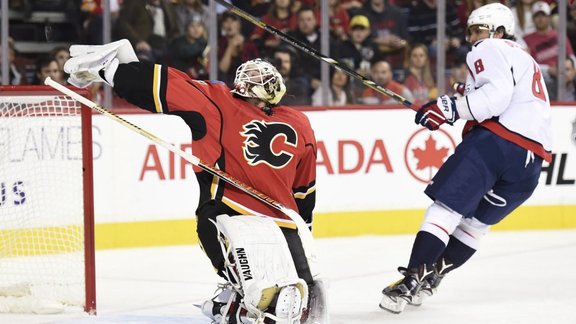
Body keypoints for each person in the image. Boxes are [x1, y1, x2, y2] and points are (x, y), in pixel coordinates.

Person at [63, 39, 320, 323]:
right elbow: (304, 190)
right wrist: (303, 228)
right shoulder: (301, 123)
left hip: (228, 210)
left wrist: (113, 74)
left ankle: (241, 296)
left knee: (207, 224)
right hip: (284, 223)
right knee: (304, 288)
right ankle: (243, 300)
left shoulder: (221, 101)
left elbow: (167, 87)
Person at [379, 3, 552, 314]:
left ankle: (410, 281)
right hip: (529, 166)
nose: (473, 37)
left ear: (499, 32)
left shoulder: (490, 47)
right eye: (471, 31)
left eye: (479, 30)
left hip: (497, 145)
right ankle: (431, 278)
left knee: (445, 208)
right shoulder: (526, 60)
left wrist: (450, 108)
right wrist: (465, 91)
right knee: (474, 226)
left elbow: (495, 98)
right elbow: (508, 95)